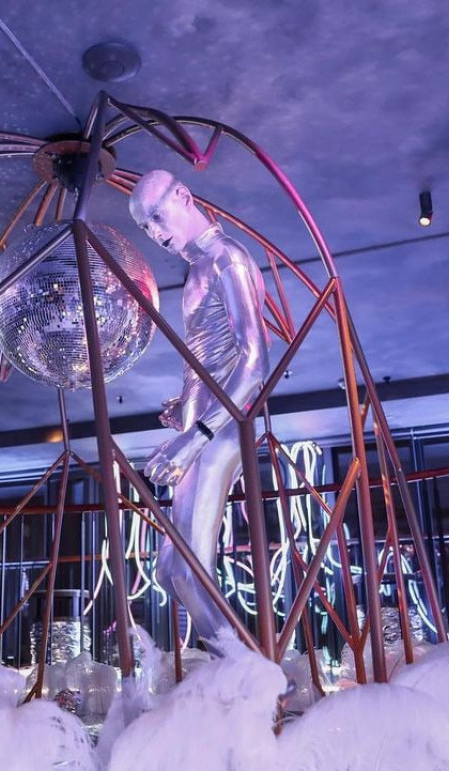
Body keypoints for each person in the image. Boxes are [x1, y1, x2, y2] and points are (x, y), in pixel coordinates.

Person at [129, 170, 270, 650]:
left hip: (221, 429)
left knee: (189, 570)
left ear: (183, 196)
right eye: (145, 227)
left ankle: (251, 673)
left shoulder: (227, 257)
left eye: (156, 217)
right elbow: (213, 358)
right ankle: (238, 667)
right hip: (203, 418)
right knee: (169, 570)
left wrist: (197, 435)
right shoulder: (199, 268)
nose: (155, 233)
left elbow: (254, 361)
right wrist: (186, 406)